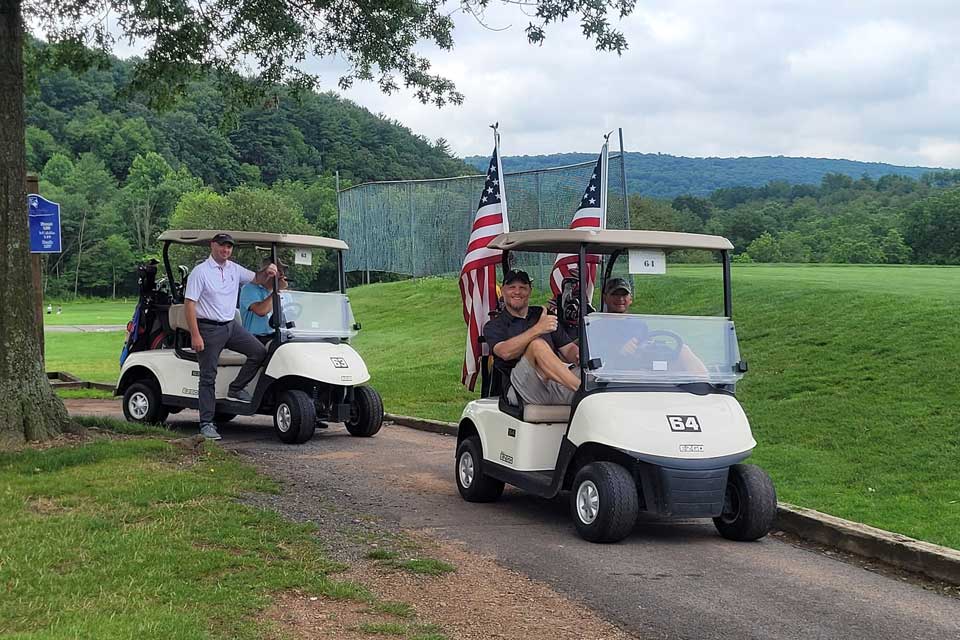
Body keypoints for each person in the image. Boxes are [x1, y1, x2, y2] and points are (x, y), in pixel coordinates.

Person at [184, 233, 278, 440]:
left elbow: (257, 278)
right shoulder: (200, 272)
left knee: (259, 351)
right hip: (208, 328)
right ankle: (207, 423)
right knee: (208, 376)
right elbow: (189, 304)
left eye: (228, 247)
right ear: (212, 246)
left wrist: (269, 272)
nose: (225, 250)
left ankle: (236, 388)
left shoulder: (234, 269)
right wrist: (195, 335)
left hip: (230, 326)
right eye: (222, 246)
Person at [484, 269, 581, 406]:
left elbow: (568, 349)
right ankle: (583, 391)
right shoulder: (494, 325)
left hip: (555, 382)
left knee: (594, 364)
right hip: (521, 388)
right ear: (503, 290)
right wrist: (538, 329)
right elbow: (505, 352)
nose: (517, 292)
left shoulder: (542, 314)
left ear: (529, 290)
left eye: (523, 288)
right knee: (537, 345)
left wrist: (580, 355)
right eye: (512, 287)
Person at [240, 258, 288, 344]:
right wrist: (276, 291)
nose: (282, 275)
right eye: (279, 271)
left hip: (276, 335)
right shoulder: (249, 288)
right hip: (255, 338)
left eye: (282, 272)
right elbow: (261, 311)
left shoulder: (282, 293)